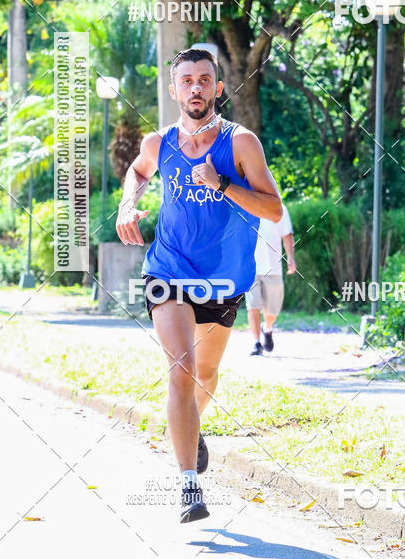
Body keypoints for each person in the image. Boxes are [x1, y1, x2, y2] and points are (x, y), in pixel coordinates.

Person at [116, 48, 282, 523]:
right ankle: (190, 485)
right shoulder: (158, 142)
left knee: (204, 377)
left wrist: (223, 184)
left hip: (224, 281)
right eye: (185, 80)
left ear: (217, 87)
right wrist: (129, 205)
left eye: (204, 79)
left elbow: (272, 209)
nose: (195, 87)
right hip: (167, 271)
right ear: (174, 90)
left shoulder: (241, 143)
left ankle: (192, 428)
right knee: (182, 370)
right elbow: (138, 172)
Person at [245, 203, 296, 356]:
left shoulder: (278, 207)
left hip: (273, 267)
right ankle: (256, 343)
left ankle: (267, 328)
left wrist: (291, 258)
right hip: (251, 267)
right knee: (252, 306)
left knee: (272, 310)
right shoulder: (246, 204)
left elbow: (287, 235)